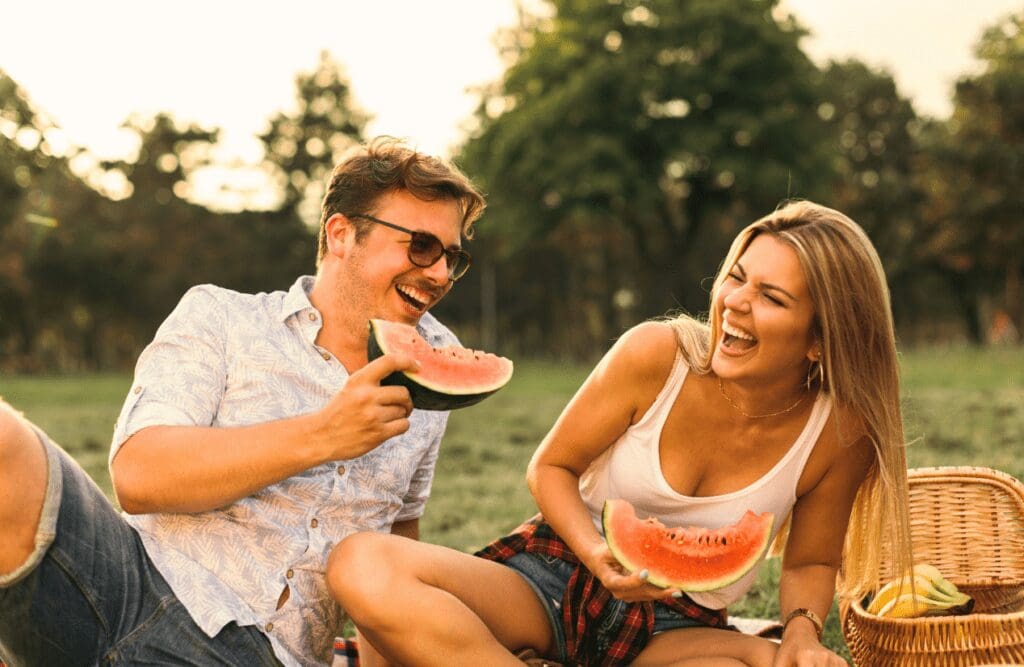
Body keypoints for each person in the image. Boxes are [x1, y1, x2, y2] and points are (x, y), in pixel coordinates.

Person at [327, 200, 915, 666]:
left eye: (772, 297)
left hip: (680, 632)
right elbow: (549, 468)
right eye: (737, 277)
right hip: (555, 581)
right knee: (362, 565)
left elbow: (810, 562)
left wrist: (802, 634)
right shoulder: (656, 354)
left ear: (818, 338)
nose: (735, 302)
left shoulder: (839, 431)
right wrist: (598, 551)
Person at [0, 136, 486, 666]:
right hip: (127, 590)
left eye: (453, 258)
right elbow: (139, 475)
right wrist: (324, 435)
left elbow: (398, 553)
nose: (439, 274)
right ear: (342, 234)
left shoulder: (433, 368)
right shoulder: (221, 317)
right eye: (421, 246)